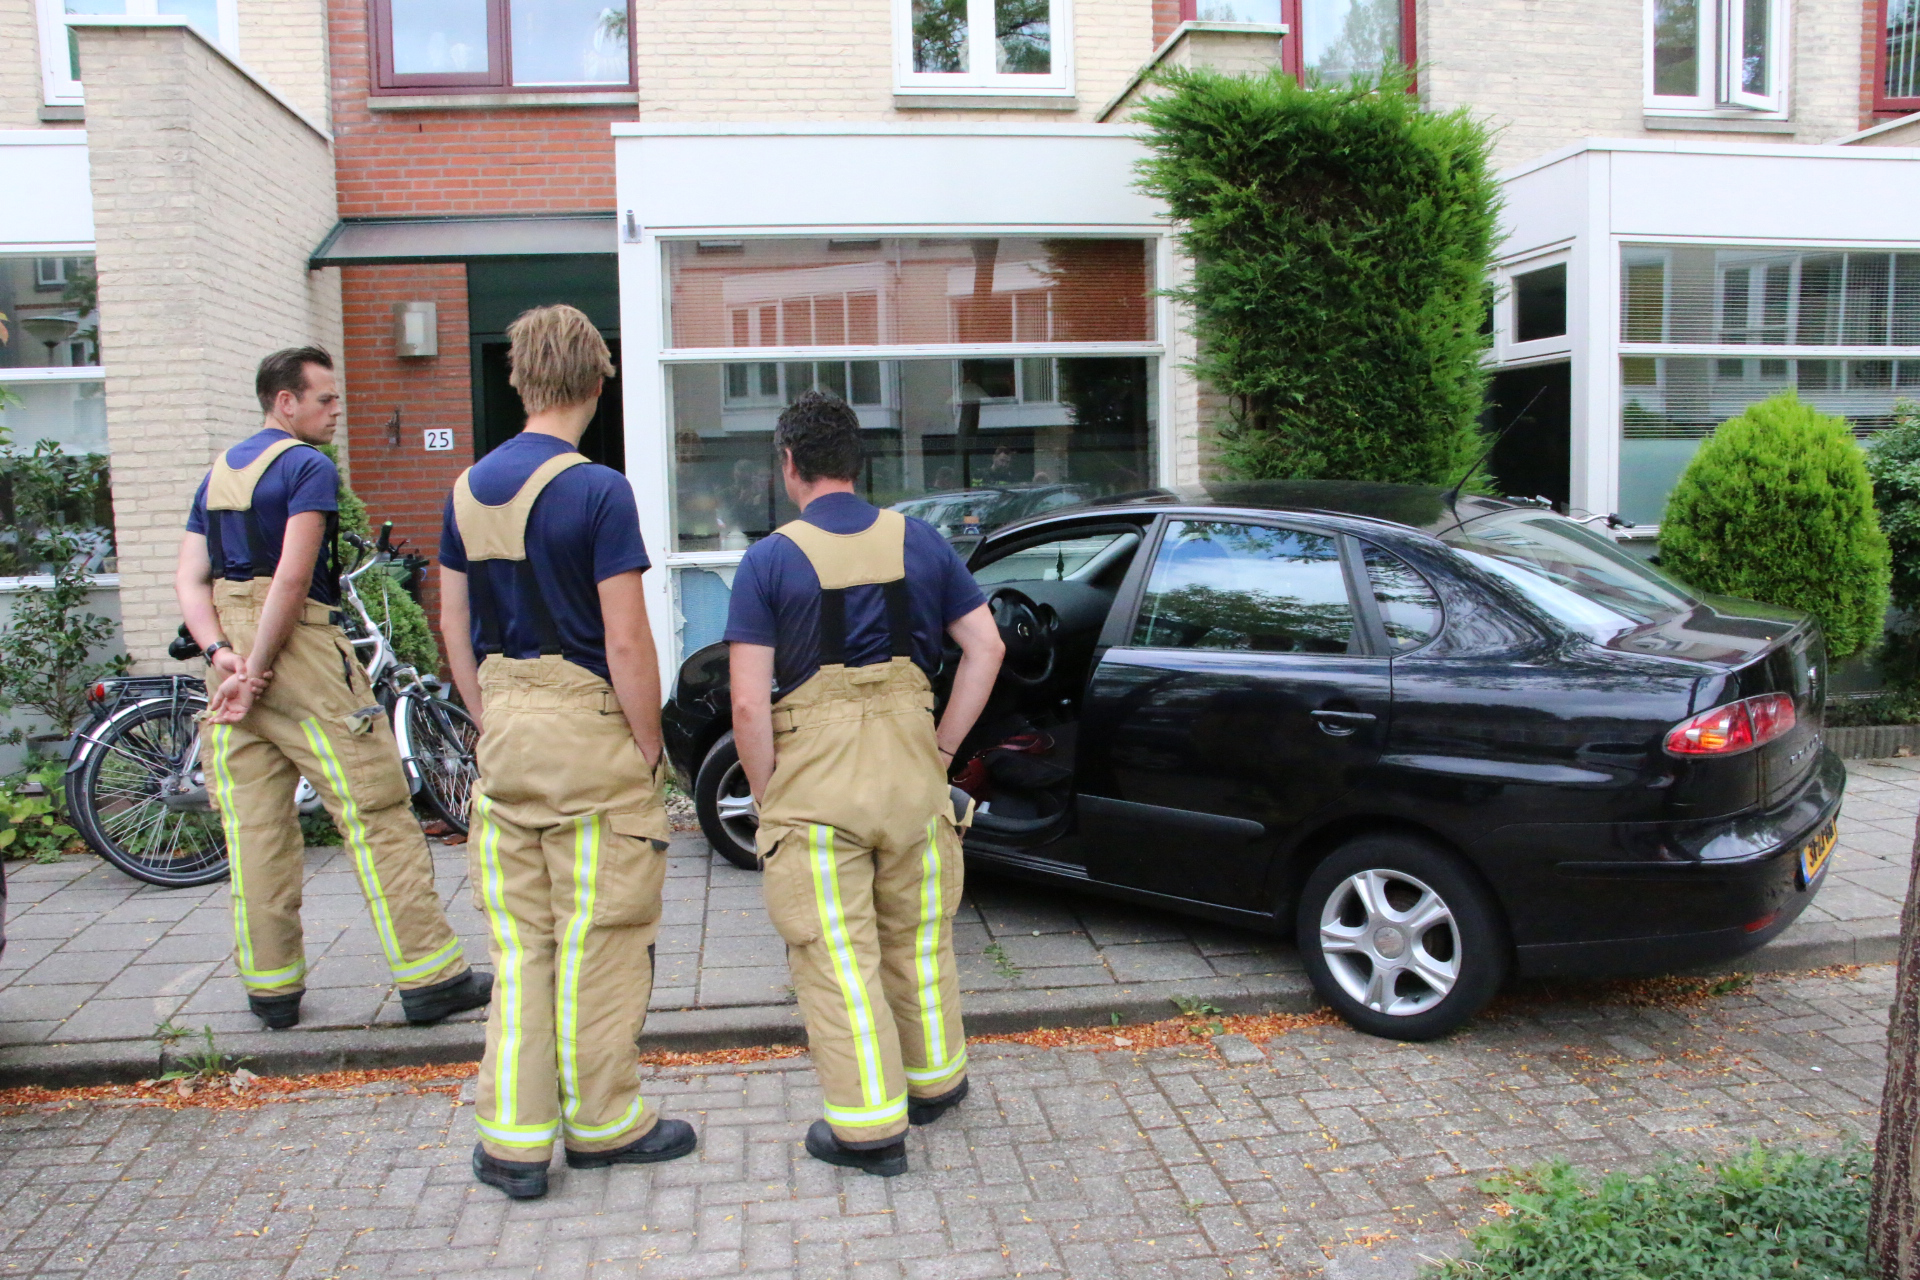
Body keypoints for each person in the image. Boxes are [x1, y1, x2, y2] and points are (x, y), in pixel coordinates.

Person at [439, 305, 696, 1200]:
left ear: (519, 379)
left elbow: (453, 621)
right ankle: (604, 1124)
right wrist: (648, 741)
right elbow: (626, 642)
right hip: (589, 734)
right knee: (604, 939)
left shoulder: (467, 489)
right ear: (596, 383)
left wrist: (487, 713)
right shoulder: (598, 491)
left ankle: (511, 1142)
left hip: (506, 732)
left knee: (522, 946)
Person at [727, 390, 1005, 1177]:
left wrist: (771, 789)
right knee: (918, 942)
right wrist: (943, 749)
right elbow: (985, 649)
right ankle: (936, 1083)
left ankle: (868, 1131)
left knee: (838, 956)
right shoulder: (922, 543)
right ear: (858, 463)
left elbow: (748, 699)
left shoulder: (770, 559)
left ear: (790, 464)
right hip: (911, 779)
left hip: (819, 789)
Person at [175, 347, 492, 1033]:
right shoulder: (307, 468)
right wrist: (258, 664)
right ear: (284, 402)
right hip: (300, 657)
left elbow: (189, 581)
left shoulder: (216, 475)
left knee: (255, 828)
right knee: (376, 810)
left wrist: (221, 656)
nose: (335, 410)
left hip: (227, 664)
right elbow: (290, 581)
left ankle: (272, 992)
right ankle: (431, 978)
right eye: (324, 399)